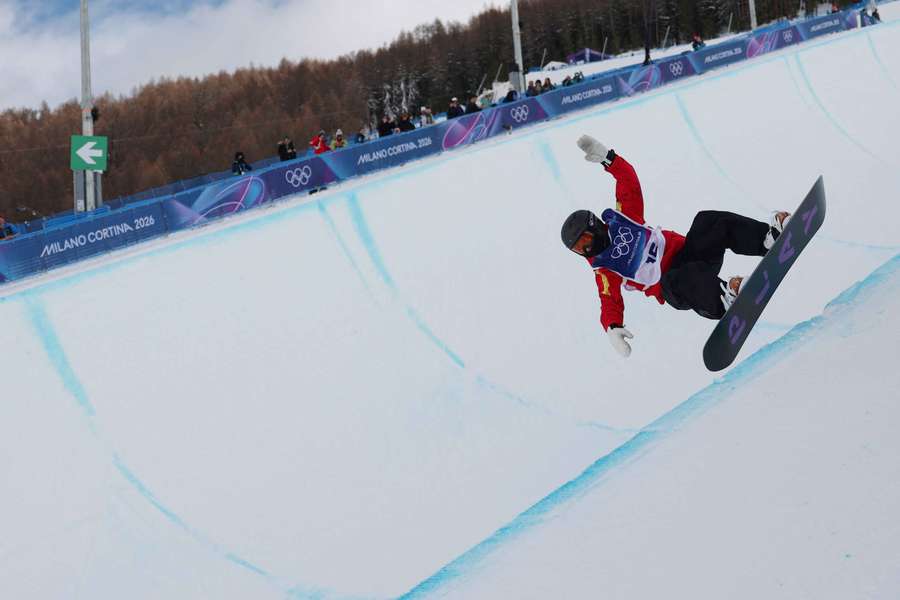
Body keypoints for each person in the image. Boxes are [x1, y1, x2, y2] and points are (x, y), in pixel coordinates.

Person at [560, 135, 790, 357]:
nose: (586, 250)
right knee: (678, 278)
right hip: (675, 288)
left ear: (596, 227)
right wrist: (612, 326)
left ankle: (766, 239)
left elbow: (628, 181)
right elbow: (609, 300)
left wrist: (606, 157)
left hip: (691, 254)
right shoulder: (604, 269)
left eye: (585, 241)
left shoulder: (625, 218)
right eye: (579, 249)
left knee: (707, 221)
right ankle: (722, 298)